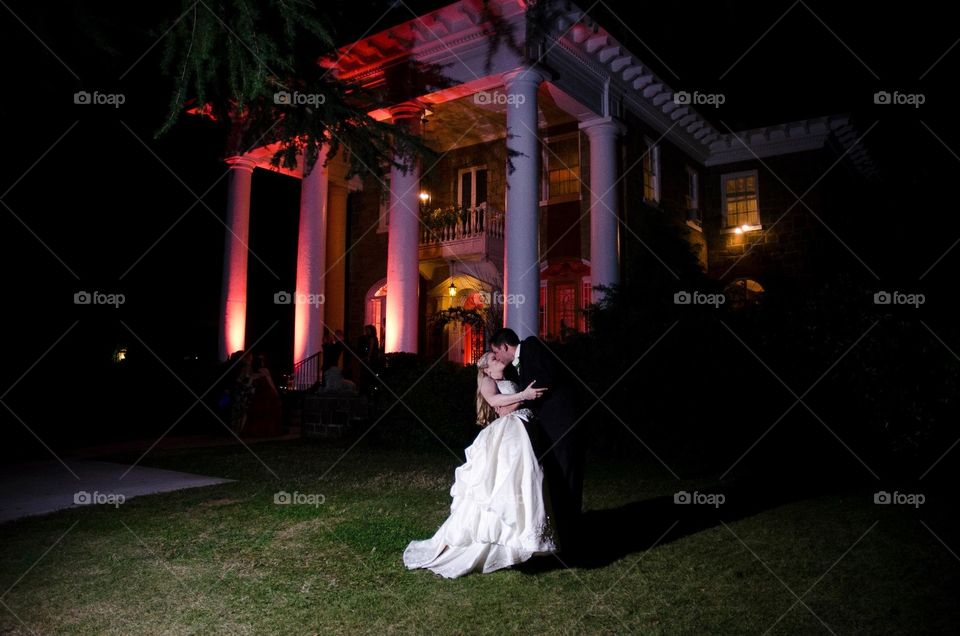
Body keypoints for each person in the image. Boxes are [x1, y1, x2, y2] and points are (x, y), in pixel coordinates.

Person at [403, 353, 556, 578]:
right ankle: (497, 542)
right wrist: (524, 396)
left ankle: (522, 540)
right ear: (485, 368)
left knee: (526, 479)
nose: (497, 358)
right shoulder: (487, 381)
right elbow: (497, 404)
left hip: (522, 430)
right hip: (508, 433)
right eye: (492, 358)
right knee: (503, 481)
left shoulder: (511, 377)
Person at [489, 327, 583, 555]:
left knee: (567, 474)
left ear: (505, 347)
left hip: (562, 423)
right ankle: (562, 531)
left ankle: (572, 537)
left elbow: (545, 378)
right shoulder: (515, 368)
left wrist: (524, 397)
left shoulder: (531, 345)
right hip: (549, 427)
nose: (497, 358)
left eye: (496, 352)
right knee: (556, 477)